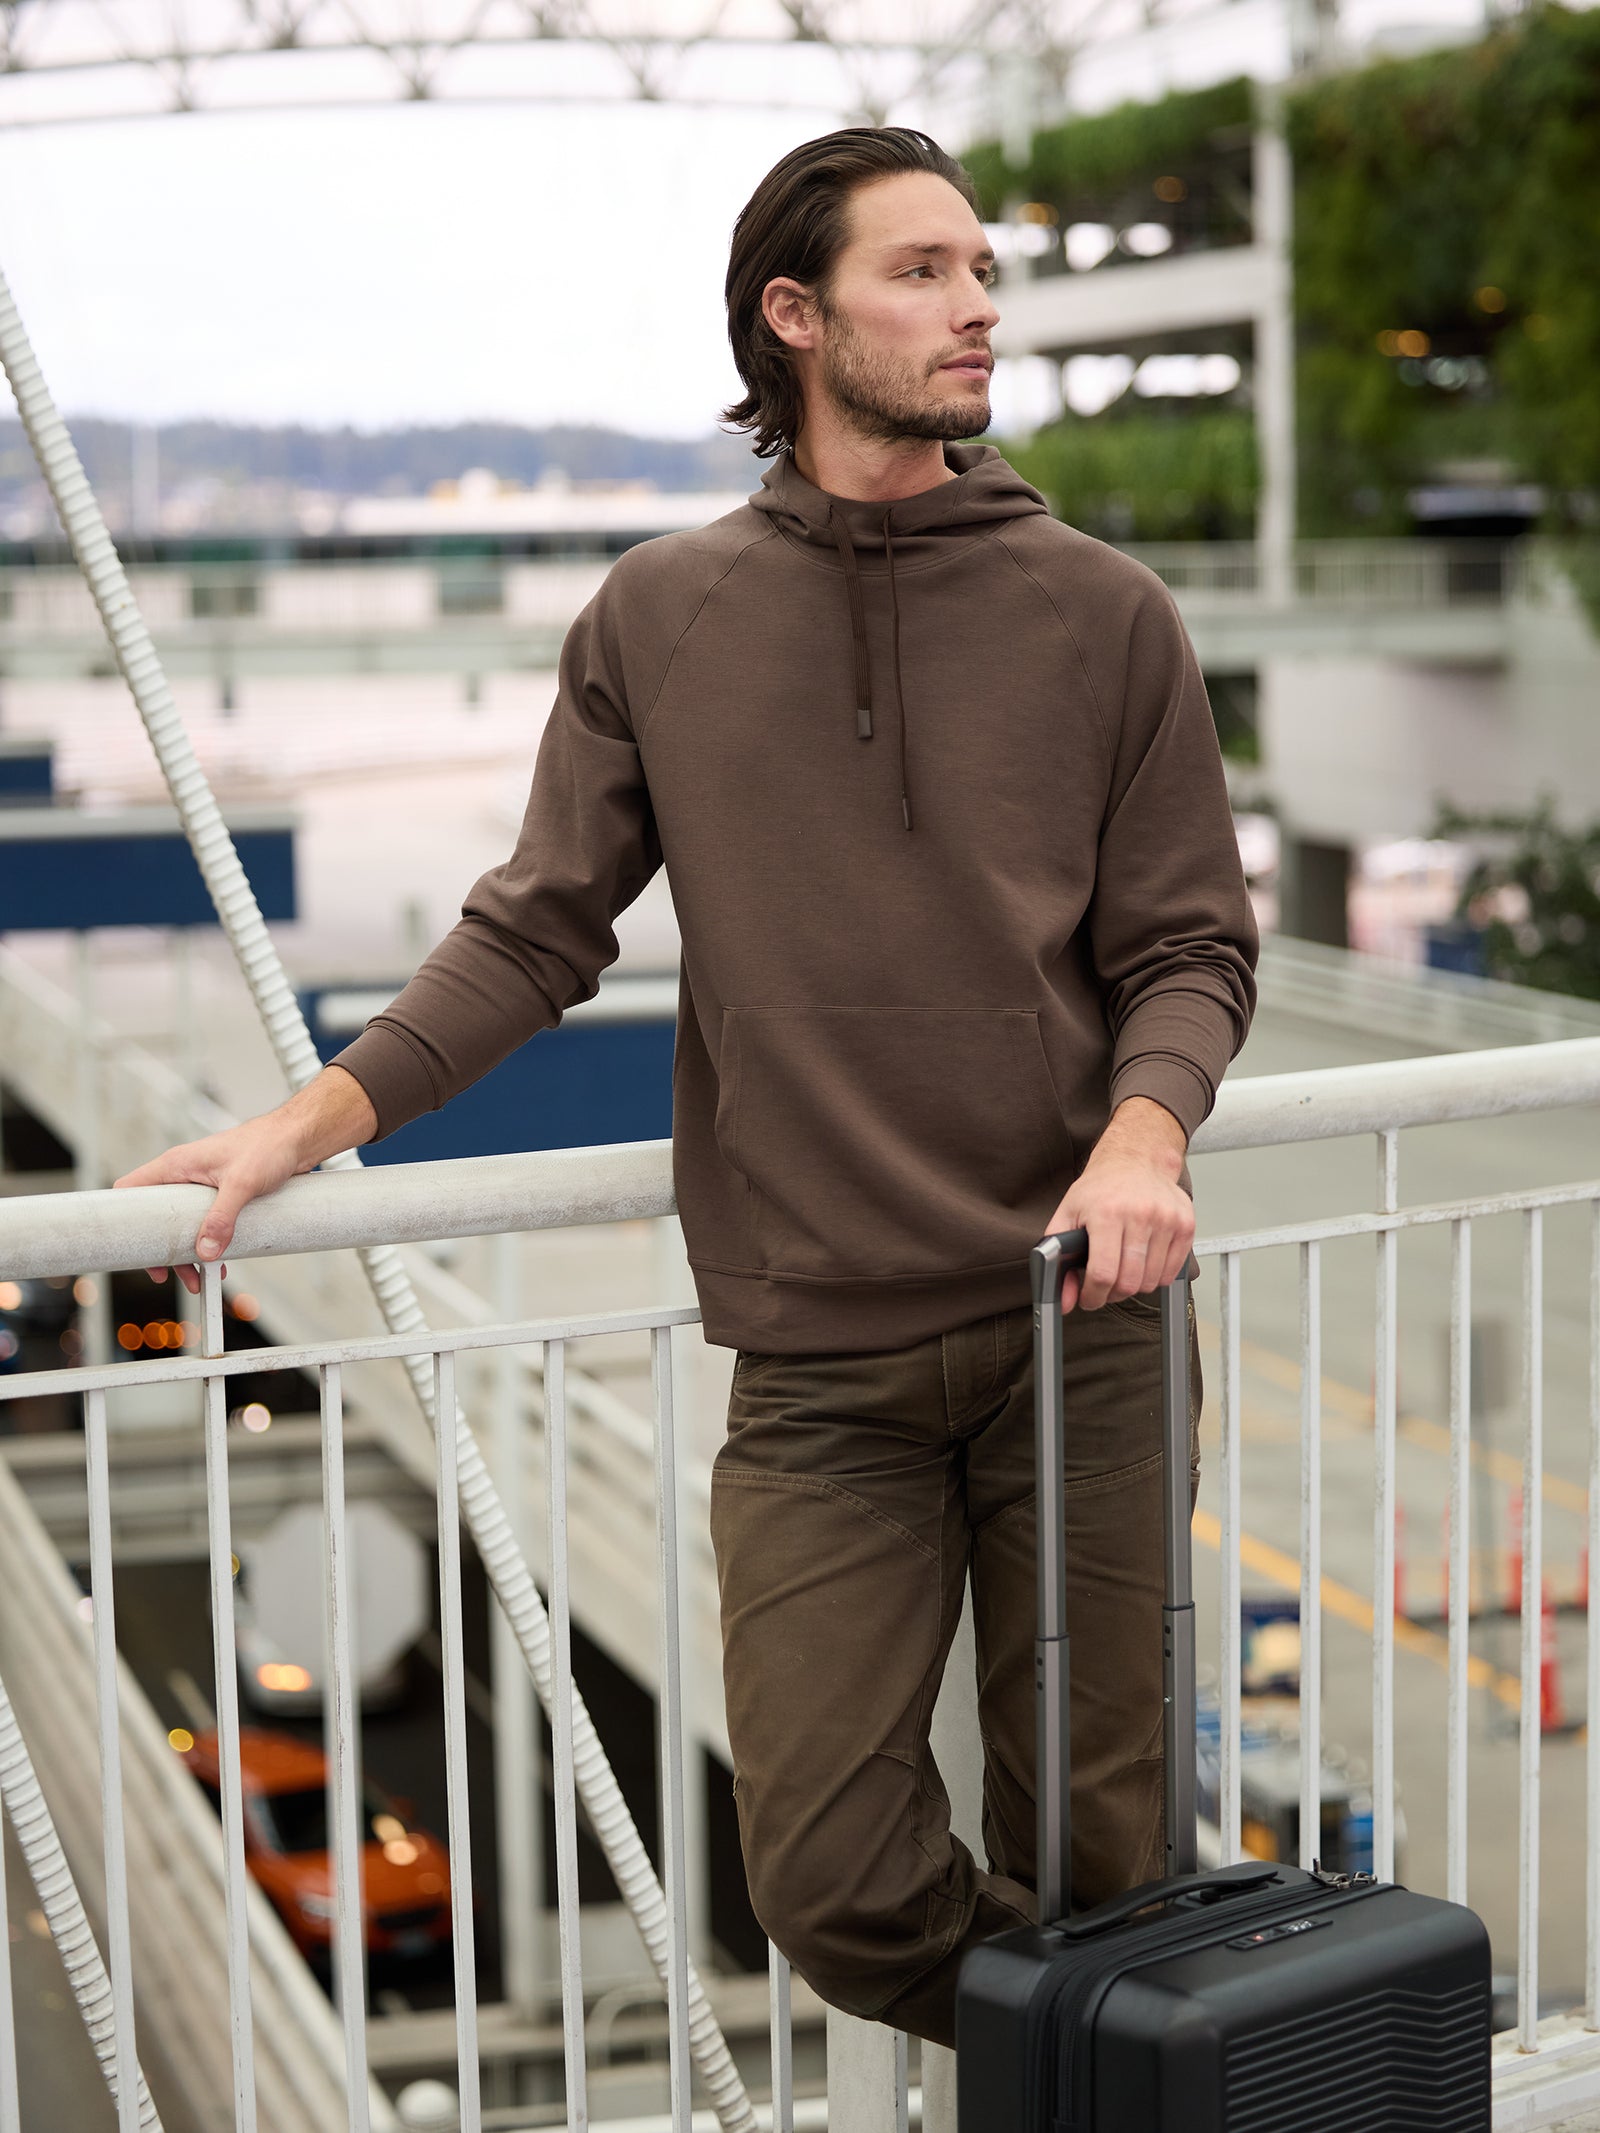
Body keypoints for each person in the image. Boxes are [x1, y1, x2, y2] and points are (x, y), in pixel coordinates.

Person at [116, 127, 1258, 2049]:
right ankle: (1152, 2047)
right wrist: (311, 1116)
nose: (978, 305)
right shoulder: (660, 615)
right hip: (820, 1366)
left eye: (984, 270)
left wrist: (1145, 1135)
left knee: (1105, 1859)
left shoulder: (1104, 613)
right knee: (828, 1876)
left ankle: (1131, 2039)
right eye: (922, 272)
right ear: (793, 319)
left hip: (1092, 1324)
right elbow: (537, 930)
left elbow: (1187, 950)